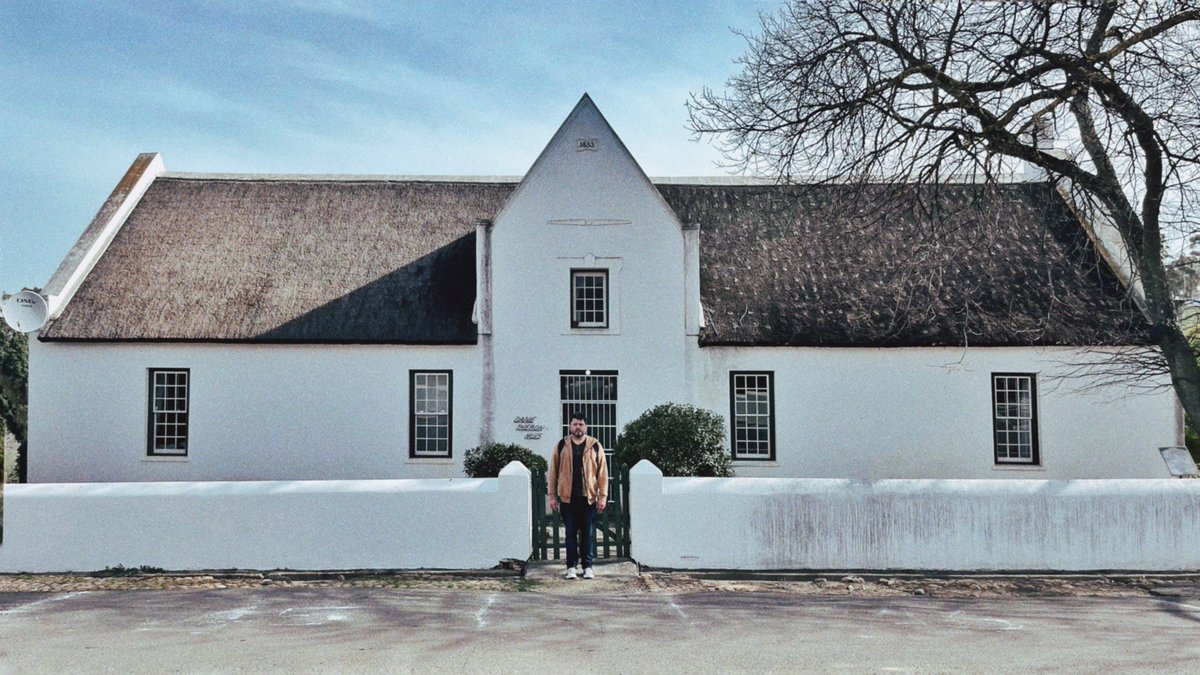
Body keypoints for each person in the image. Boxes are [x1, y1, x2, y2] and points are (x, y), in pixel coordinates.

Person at [548, 412, 608, 579]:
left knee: (588, 534)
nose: (578, 427)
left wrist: (602, 496)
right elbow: (553, 472)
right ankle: (571, 567)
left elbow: (602, 473)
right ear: (570, 426)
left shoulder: (595, 445)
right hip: (568, 499)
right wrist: (552, 495)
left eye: (581, 424)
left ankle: (587, 567)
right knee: (570, 534)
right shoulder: (561, 445)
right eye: (575, 424)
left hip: (588, 499)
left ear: (586, 427)